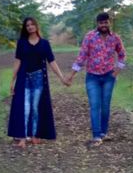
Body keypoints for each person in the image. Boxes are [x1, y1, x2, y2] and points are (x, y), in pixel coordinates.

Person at [8, 17, 68, 148]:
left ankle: (35, 135)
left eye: (32, 24)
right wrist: (12, 80)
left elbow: (52, 61)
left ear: (36, 26)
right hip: (24, 78)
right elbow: (18, 61)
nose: (30, 27)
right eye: (27, 25)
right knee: (25, 108)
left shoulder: (44, 44)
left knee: (35, 108)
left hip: (39, 78)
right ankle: (22, 138)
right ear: (25, 28)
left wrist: (61, 78)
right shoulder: (22, 43)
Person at [68, 12, 126, 146]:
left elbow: (122, 54)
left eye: (106, 22)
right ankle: (96, 136)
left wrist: (117, 70)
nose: (103, 25)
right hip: (92, 77)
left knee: (105, 106)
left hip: (109, 77)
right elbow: (82, 56)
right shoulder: (89, 37)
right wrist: (71, 75)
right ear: (97, 24)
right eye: (101, 23)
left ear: (109, 22)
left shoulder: (115, 38)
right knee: (95, 105)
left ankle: (103, 133)